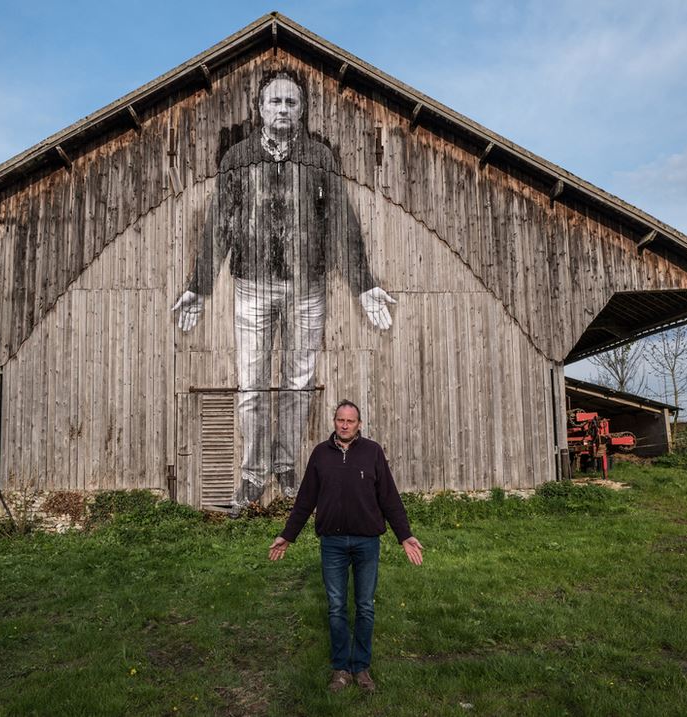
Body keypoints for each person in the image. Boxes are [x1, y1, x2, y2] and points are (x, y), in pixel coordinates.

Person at [173, 70, 397, 513]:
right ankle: (254, 476)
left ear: (301, 110)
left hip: (307, 288)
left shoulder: (318, 158)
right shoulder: (238, 158)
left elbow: (340, 224)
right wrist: (199, 287)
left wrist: (364, 284)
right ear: (259, 109)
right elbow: (218, 223)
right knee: (252, 384)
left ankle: (287, 468)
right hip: (251, 287)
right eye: (274, 102)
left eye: (290, 103)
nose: (282, 110)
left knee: (297, 383)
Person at [268, 400, 423, 693]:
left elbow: (389, 498)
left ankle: (361, 668)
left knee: (365, 606)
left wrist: (404, 535)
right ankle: (341, 669)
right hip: (333, 544)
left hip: (367, 542)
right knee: (337, 607)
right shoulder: (320, 455)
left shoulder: (372, 452)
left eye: (350, 421)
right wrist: (288, 535)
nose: (344, 425)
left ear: (359, 424)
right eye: (340, 419)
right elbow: (305, 500)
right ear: (334, 421)